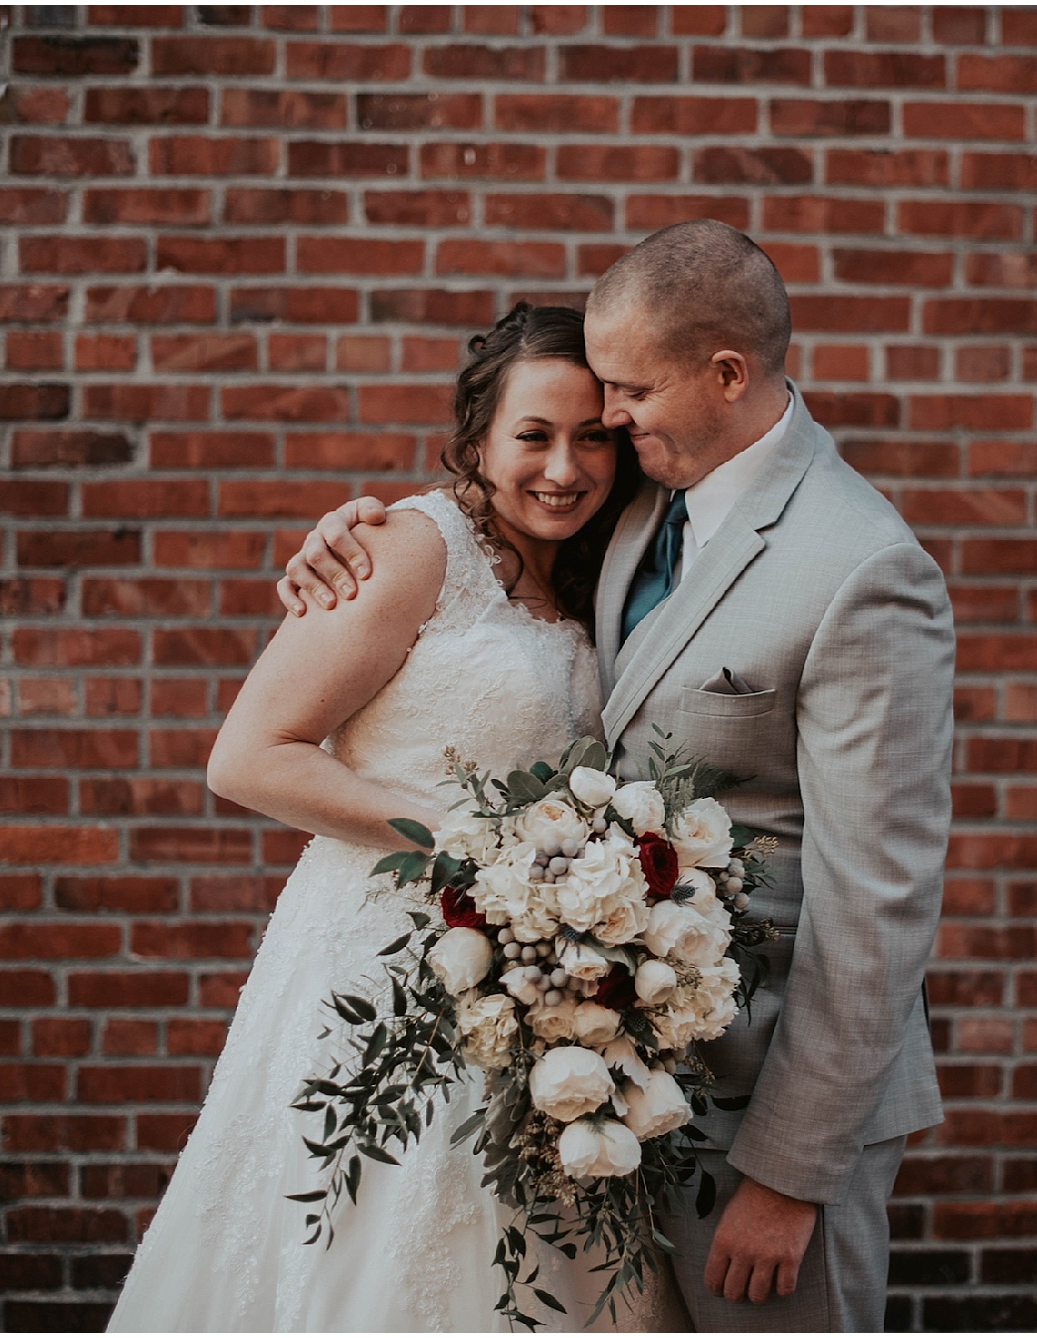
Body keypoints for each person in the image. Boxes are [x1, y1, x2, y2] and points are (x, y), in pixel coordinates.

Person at [280, 219, 955, 1331]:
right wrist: (348, 539)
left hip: (767, 1108)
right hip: (616, 1078)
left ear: (726, 374)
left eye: (630, 393)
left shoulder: (863, 568)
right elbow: (499, 528)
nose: (610, 421)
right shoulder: (639, 498)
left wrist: (789, 1176)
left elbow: (877, 903)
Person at [107, 303, 688, 1331]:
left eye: (592, 437)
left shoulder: (602, 565)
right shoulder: (411, 548)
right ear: (477, 441)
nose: (564, 468)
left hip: (533, 979)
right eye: (532, 435)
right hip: (381, 960)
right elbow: (249, 756)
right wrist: (470, 850)